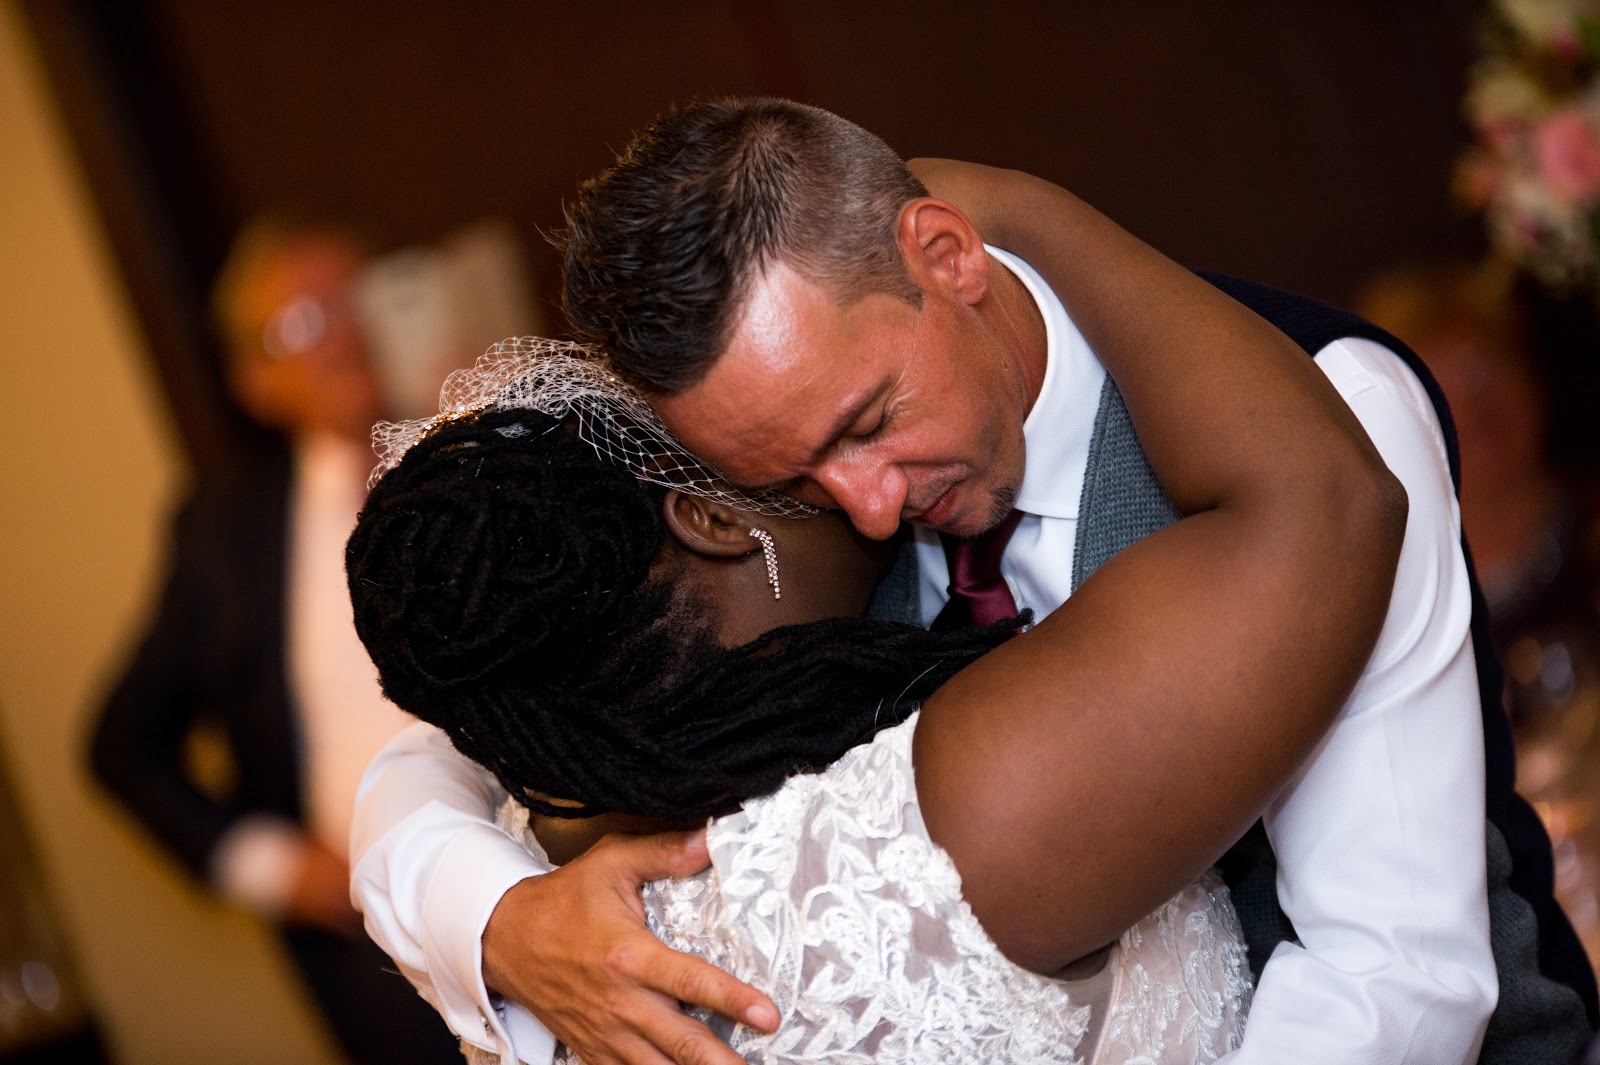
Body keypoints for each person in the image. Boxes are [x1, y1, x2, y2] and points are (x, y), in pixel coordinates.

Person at [350, 102, 1596, 1065]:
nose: (866, 506)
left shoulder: (1324, 411)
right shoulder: (798, 512)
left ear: (948, 253)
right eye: (792, 473)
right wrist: (498, 922)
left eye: (868, 421)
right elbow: (444, 746)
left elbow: (1399, 982)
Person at [90, 222, 461, 1064]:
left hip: (577, 876)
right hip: (390, 957)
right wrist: (274, 867)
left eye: (351, 298)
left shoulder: (484, 447)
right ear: (256, 384)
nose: (341, 333)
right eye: (300, 323)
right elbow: (122, 744)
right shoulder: (227, 537)